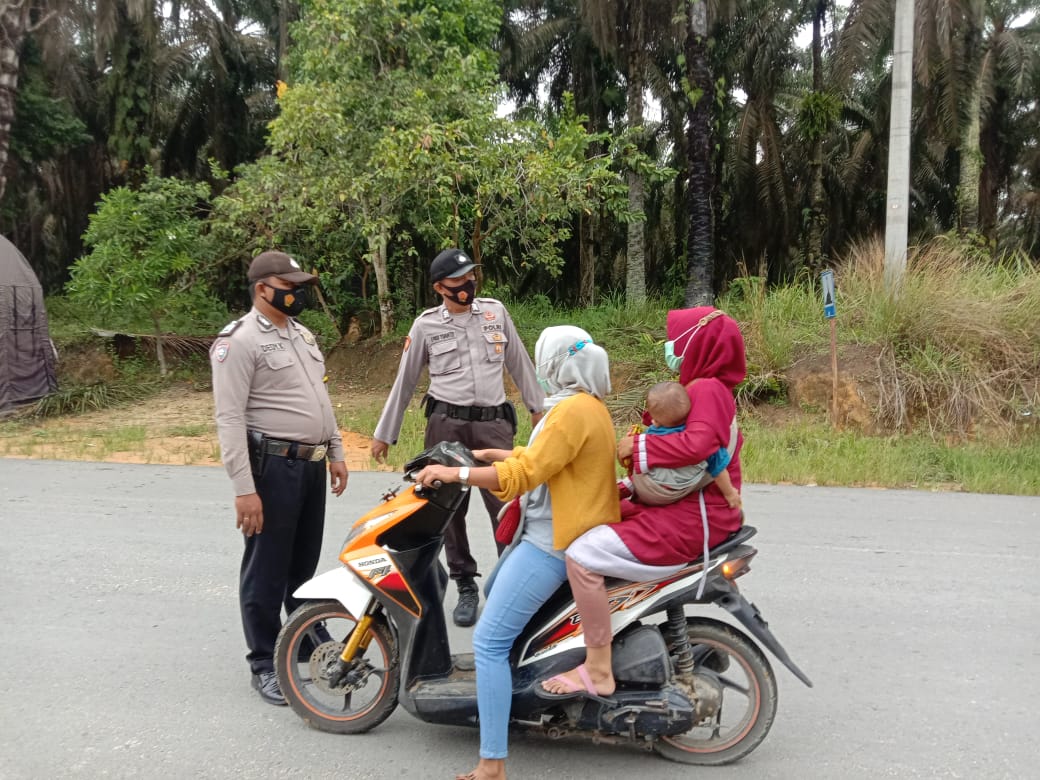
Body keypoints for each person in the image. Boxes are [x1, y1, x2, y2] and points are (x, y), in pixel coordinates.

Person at [413, 326, 619, 780]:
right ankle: (513, 698)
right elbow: (549, 457)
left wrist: (456, 475)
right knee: (493, 604)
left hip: (550, 542)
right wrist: (497, 453)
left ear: (557, 363)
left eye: (544, 358)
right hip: (557, 531)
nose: (539, 369)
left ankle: (491, 763)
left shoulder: (570, 412)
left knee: (488, 643)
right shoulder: (587, 406)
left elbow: (525, 477)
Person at [540, 307, 746, 700]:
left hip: (691, 521)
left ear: (698, 342)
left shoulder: (707, 389)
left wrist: (636, 446)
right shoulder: (709, 388)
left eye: (676, 339)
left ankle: (599, 668)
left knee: (582, 555)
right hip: (690, 512)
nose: (671, 347)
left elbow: (700, 445)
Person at [371, 248, 545, 627]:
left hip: (493, 424)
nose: (467, 285)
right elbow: (405, 381)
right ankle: (465, 583)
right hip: (446, 425)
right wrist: (385, 433)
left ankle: (509, 584)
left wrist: (538, 410)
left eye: (471, 277)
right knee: (449, 509)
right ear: (439, 288)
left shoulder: (495, 312)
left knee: (507, 504)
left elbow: (519, 363)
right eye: (458, 281)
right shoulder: (425, 326)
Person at [210, 250, 348, 706]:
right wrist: (245, 490)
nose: (298, 292)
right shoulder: (239, 341)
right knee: (267, 567)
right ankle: (264, 661)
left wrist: (336, 452)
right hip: (272, 467)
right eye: (290, 285)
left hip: (310, 464)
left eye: (301, 285)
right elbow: (229, 418)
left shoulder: (302, 334)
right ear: (262, 289)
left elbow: (320, 398)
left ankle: (302, 635)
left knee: (302, 564)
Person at [622, 380, 741, 509]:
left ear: (655, 421)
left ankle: (626, 487)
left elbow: (635, 455)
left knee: (640, 460)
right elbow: (719, 470)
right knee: (712, 458)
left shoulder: (653, 432)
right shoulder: (701, 436)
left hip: (652, 486)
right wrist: (730, 494)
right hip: (675, 489)